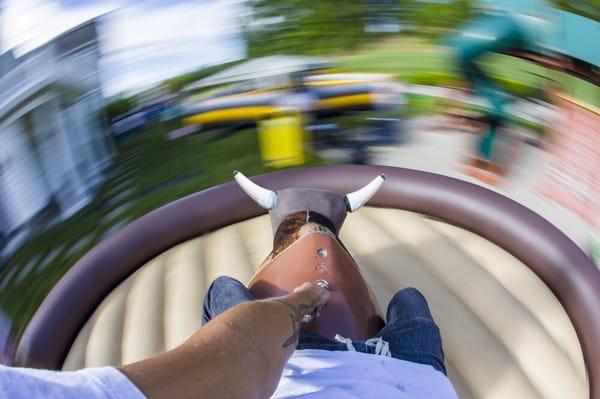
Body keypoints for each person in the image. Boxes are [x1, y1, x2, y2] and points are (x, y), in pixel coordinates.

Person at [0, 279, 458, 398]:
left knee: (409, 301)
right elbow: (242, 355)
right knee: (411, 297)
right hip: (405, 380)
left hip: (393, 375)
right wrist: (301, 300)